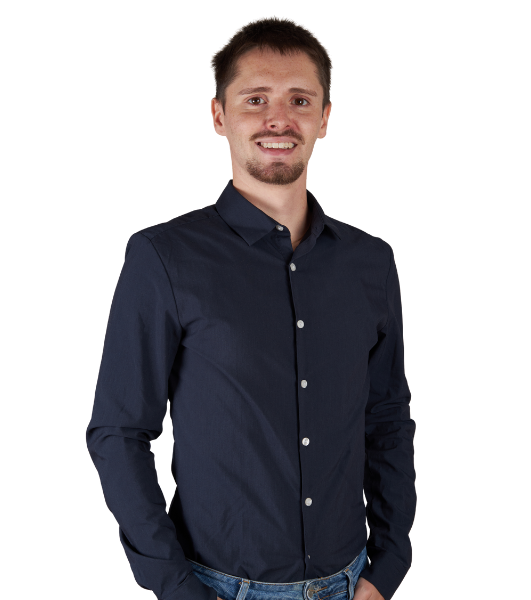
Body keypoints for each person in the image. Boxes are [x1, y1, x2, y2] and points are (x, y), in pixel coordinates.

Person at [86, 16, 415, 600]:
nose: (278, 120)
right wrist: (177, 588)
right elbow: (120, 432)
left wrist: (388, 565)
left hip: (352, 583)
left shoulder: (371, 261)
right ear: (219, 116)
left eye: (299, 100)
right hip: (220, 588)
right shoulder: (162, 256)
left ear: (325, 118)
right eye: (255, 99)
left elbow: (387, 419)